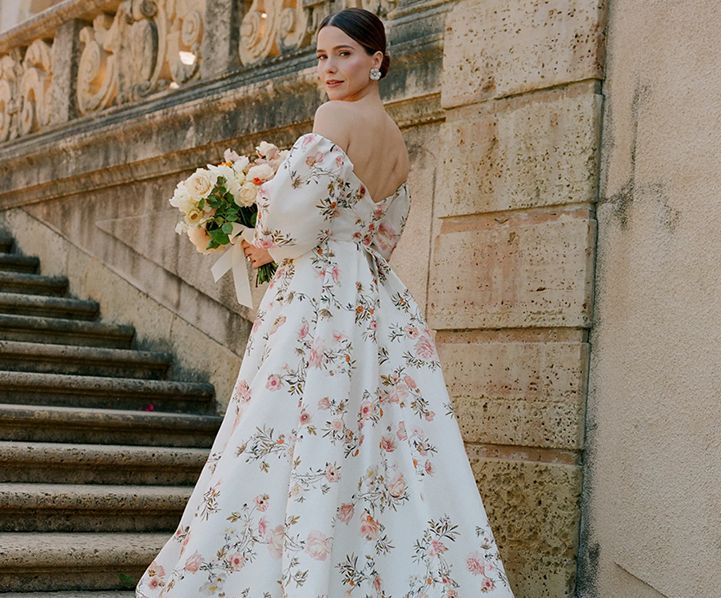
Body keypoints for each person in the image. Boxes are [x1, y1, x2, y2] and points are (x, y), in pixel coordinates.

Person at [136, 7, 514, 597]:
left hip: (318, 294)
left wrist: (263, 242)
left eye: (345, 54)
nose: (330, 68)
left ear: (377, 61)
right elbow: (384, 235)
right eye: (322, 56)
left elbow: (289, 224)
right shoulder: (397, 143)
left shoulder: (332, 116)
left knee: (288, 426)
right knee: (378, 438)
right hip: (375, 298)